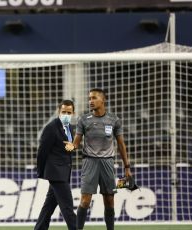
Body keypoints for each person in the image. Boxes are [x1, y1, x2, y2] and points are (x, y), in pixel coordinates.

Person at [66, 88, 132, 230]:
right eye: (89, 98)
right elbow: (76, 143)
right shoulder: (83, 119)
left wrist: (127, 167)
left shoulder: (114, 120)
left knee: (109, 201)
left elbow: (121, 144)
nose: (91, 101)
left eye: (94, 98)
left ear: (103, 100)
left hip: (108, 162)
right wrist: (70, 146)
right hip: (89, 162)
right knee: (85, 201)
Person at [35, 100, 77, 230]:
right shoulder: (51, 128)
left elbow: (68, 149)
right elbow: (42, 151)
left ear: (73, 113)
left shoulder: (70, 128)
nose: (66, 114)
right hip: (56, 173)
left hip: (63, 172)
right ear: (59, 112)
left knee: (48, 207)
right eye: (63, 112)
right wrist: (41, 171)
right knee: (67, 207)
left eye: (69, 112)